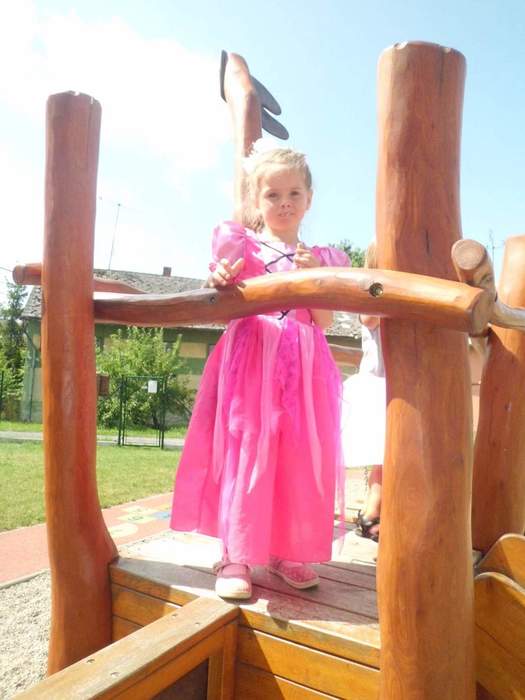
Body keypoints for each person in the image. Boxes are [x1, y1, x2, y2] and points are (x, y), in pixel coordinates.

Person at [170, 143, 350, 599]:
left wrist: (315, 280)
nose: (284, 203)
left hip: (303, 367)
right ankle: (236, 553)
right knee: (248, 450)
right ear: (256, 200)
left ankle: (286, 548)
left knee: (296, 455)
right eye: (272, 195)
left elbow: (324, 321)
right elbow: (223, 307)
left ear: (309, 198)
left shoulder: (321, 257)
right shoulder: (243, 248)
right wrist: (220, 281)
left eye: (293, 193)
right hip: (253, 361)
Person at [341, 242, 385, 542]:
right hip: (378, 383)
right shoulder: (371, 294)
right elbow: (370, 318)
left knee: (387, 457)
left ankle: (375, 511)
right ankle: (373, 512)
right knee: (382, 455)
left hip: (397, 382)